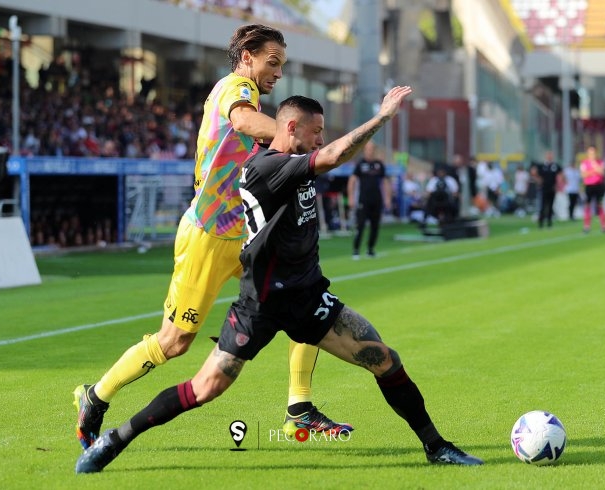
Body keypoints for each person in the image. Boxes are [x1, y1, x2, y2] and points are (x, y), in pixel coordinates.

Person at [75, 89, 484, 474]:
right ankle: (114, 439)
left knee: (385, 360)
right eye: (316, 130)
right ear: (292, 129)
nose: (320, 138)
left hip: (308, 298)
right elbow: (332, 156)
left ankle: (436, 447)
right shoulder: (267, 168)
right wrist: (381, 117)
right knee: (205, 388)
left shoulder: (288, 159)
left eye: (322, 131)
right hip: (262, 304)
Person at [73, 24, 351, 453]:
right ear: (246, 57)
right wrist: (289, 140)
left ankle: (300, 407)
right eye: (271, 61)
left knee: (301, 299)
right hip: (207, 235)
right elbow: (242, 119)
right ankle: (96, 396)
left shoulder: (260, 102)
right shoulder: (234, 88)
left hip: (248, 236)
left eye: (282, 64)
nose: (277, 72)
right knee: (174, 342)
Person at [347, 141, 391, 259]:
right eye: (368, 149)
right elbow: (352, 181)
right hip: (363, 200)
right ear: (365, 150)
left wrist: (387, 198)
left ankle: (370, 249)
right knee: (360, 225)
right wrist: (351, 198)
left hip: (377, 200)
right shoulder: (360, 164)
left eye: (372, 149)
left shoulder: (379, 164)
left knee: (375, 226)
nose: (370, 151)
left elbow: (385, 182)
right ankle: (356, 250)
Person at [579, 146, 605, 233]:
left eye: (593, 153)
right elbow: (584, 175)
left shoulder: (600, 162)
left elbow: (602, 172)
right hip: (589, 186)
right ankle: (587, 226)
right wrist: (594, 171)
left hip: (599, 186)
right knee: (587, 205)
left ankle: (604, 225)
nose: (592, 155)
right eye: (590, 153)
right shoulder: (584, 163)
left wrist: (594, 165)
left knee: (600, 205)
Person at [532, 150, 562, 228]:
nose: (549, 157)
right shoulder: (542, 166)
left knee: (551, 205)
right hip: (544, 188)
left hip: (552, 188)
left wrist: (559, 185)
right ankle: (541, 222)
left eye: (551, 155)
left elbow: (560, 175)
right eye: (548, 155)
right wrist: (538, 180)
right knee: (542, 205)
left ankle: (549, 222)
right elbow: (534, 172)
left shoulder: (555, 166)